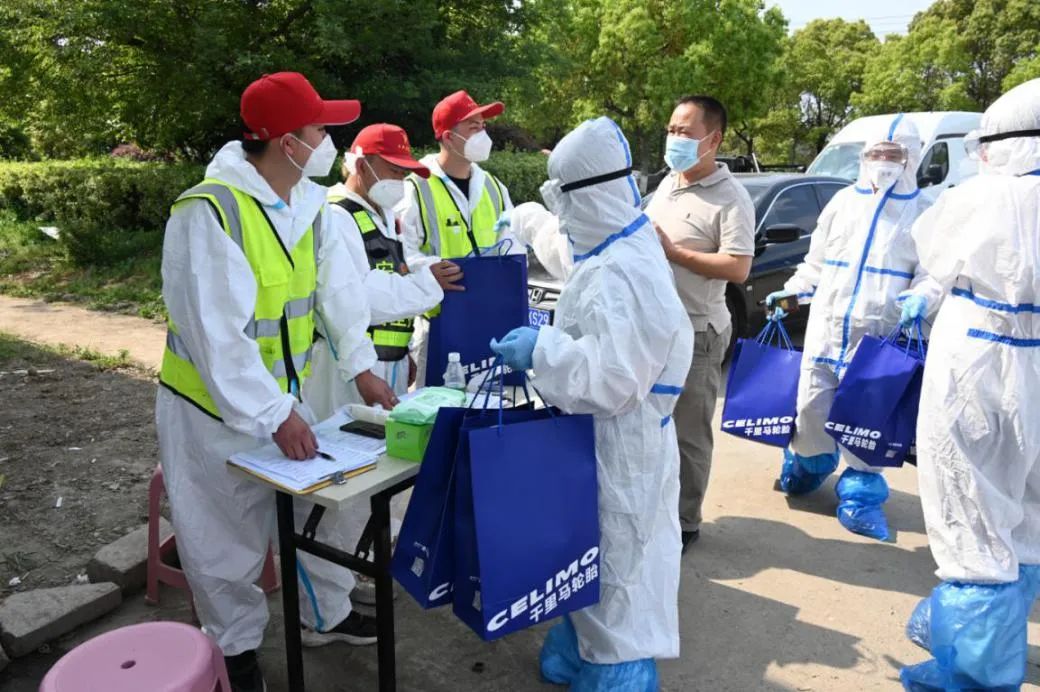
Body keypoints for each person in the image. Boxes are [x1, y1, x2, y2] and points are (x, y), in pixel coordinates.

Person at [156, 72, 382, 692]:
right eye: (319, 128)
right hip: (210, 413)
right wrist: (275, 414)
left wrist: (361, 366)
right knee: (223, 540)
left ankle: (322, 614)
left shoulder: (307, 207)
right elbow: (216, 338)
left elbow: (337, 295)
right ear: (287, 142)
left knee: (312, 513)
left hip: (283, 402)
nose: (328, 139)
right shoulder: (210, 212)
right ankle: (233, 651)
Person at [490, 116, 694, 691]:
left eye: (564, 202)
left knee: (620, 573)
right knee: (592, 558)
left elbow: (613, 378)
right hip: (606, 441)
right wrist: (527, 221)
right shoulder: (617, 244)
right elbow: (570, 254)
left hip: (623, 445)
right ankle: (578, 650)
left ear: (587, 196)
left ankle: (617, 671)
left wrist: (541, 349)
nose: (563, 216)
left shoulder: (625, 271)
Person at [900, 78, 1040, 690]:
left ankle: (975, 672)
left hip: (978, 363)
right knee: (1027, 513)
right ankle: (998, 639)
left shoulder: (981, 196)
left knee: (969, 514)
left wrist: (923, 297)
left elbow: (935, 256)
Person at [766, 114, 942, 541]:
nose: (884, 162)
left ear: (911, 157)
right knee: (810, 408)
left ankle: (861, 495)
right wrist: (790, 295)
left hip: (880, 338)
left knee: (868, 422)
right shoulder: (842, 203)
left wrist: (922, 297)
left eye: (893, 154)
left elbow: (935, 274)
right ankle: (810, 464)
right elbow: (815, 264)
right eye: (876, 153)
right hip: (827, 331)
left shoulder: (927, 213)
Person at [648, 95, 756, 552]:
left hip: (698, 332)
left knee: (688, 433)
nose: (674, 139)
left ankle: (685, 520)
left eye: (685, 132)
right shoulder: (666, 184)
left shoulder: (731, 198)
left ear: (713, 140)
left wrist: (674, 253)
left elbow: (738, 267)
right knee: (654, 426)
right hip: (656, 328)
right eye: (671, 130)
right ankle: (657, 510)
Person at [305, 123, 462, 419]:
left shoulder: (384, 215)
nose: (400, 181)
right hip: (348, 370)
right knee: (346, 441)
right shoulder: (336, 216)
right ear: (361, 166)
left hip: (388, 364)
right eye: (393, 171)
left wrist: (402, 352)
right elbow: (359, 296)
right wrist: (428, 283)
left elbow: (394, 271)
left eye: (404, 174)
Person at [398, 90, 520, 384]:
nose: (483, 134)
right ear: (449, 137)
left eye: (483, 126)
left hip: (489, 319)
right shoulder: (416, 187)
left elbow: (513, 244)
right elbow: (401, 253)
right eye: (473, 127)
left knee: (487, 403)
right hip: (440, 322)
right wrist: (427, 270)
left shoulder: (493, 186)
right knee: (437, 404)